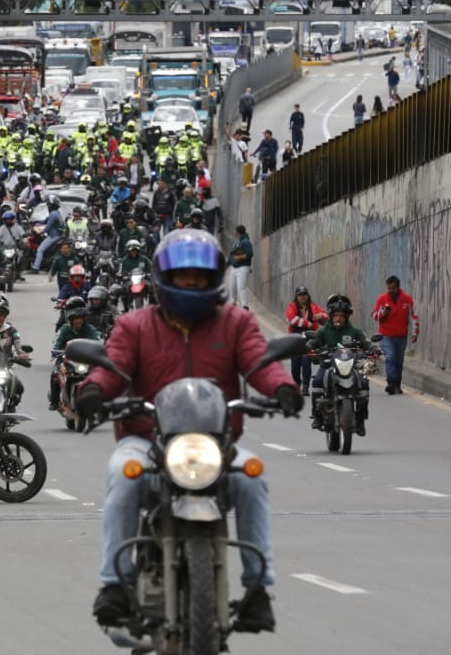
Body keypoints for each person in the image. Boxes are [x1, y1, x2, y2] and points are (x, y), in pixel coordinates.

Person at [76, 229, 302, 631]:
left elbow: (259, 362)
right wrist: (93, 390)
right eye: (183, 276)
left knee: (252, 477)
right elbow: (112, 366)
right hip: (145, 441)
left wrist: (282, 388)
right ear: (164, 278)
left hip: (216, 445)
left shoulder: (236, 322)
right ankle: (114, 584)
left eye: (199, 276)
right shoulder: (133, 325)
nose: (191, 283)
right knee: (123, 477)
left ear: (214, 278)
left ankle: (258, 589)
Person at [308, 295, 371, 436]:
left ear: (347, 316)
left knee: (363, 384)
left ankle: (360, 420)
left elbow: (365, 342)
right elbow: (313, 342)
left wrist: (373, 349)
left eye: (342, 316)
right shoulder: (324, 331)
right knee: (317, 382)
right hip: (328, 365)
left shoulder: (354, 331)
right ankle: (317, 417)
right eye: (336, 315)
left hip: (350, 366)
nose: (339, 318)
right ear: (331, 316)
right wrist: (307, 348)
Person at [371, 275, 420, 395]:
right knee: (390, 357)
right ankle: (391, 383)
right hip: (386, 335)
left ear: (398, 287)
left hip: (401, 335)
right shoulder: (382, 299)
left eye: (392, 288)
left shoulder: (407, 299)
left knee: (399, 360)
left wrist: (415, 332)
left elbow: (413, 316)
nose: (390, 291)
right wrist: (383, 313)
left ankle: (397, 383)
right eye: (388, 288)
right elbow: (374, 315)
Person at [49, 297, 100, 411]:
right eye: (75, 319)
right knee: (55, 375)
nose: (78, 321)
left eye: (80, 318)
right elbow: (56, 343)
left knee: (100, 375)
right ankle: (54, 401)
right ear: (70, 320)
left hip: (85, 359)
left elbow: (97, 342)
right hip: (65, 358)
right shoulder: (64, 329)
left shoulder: (90, 329)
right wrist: (56, 351)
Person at [285, 286, 326, 394]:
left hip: (309, 338)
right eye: (300, 295)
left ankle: (306, 387)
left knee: (306, 362)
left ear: (308, 295)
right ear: (296, 296)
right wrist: (306, 323)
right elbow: (291, 319)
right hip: (295, 338)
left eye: (304, 294)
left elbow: (326, 315)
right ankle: (297, 384)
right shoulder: (292, 306)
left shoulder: (313, 306)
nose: (303, 297)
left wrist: (320, 316)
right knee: (295, 364)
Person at [228, 225, 253, 309]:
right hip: (234, 268)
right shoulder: (236, 241)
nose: (234, 232)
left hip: (243, 267)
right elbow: (232, 254)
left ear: (238, 232)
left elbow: (250, 254)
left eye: (235, 231)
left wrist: (239, 257)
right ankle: (233, 303)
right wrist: (227, 264)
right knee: (232, 287)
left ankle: (245, 306)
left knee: (241, 287)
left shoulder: (245, 241)